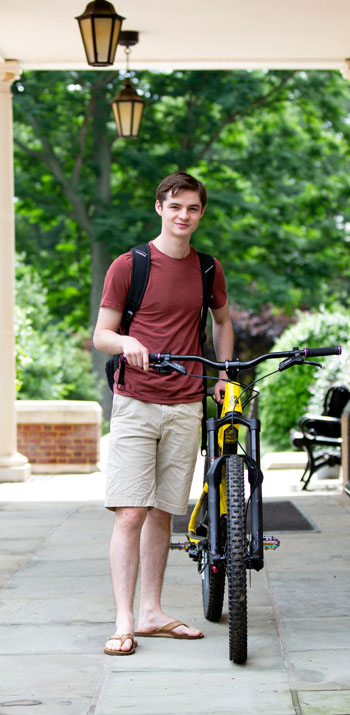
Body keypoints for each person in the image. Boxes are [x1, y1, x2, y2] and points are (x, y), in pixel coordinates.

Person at [93, 172, 234, 655]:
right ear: (159, 207)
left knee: (162, 513)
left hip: (186, 403)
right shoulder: (129, 266)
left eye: (193, 208)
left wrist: (223, 376)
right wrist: (128, 341)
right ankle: (124, 620)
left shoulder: (208, 269)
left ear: (200, 214)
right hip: (135, 402)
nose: (184, 216)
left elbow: (224, 320)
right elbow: (102, 335)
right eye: (175, 206)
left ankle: (152, 613)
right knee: (130, 511)